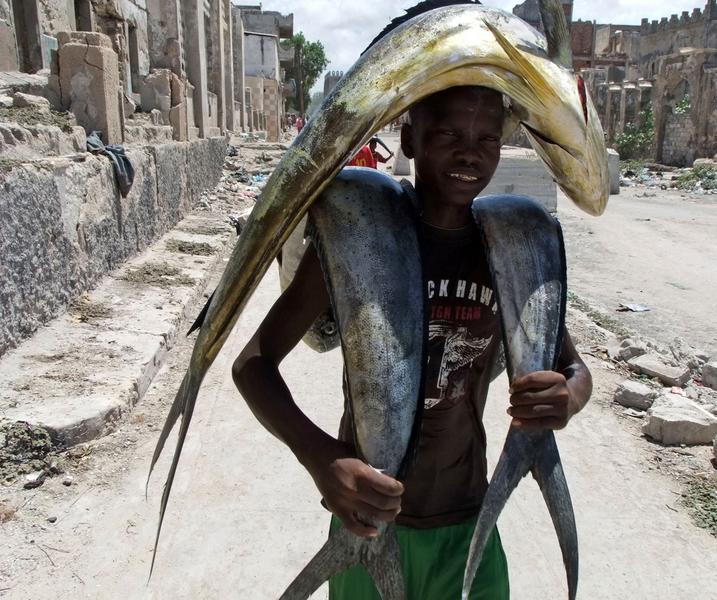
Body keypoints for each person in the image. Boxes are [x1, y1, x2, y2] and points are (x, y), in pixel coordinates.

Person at [232, 86, 592, 599]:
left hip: (468, 527)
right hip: (367, 527)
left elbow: (575, 368)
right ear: (410, 139)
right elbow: (253, 363)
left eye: (487, 138)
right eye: (449, 133)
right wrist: (322, 459)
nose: (470, 152)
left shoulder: (508, 252)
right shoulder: (359, 238)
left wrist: (568, 396)